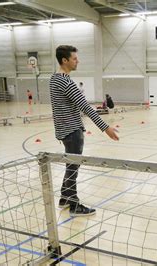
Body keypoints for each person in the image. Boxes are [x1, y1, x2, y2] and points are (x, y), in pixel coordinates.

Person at [49, 45, 119, 217]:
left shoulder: (54, 78)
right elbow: (86, 107)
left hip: (64, 131)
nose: (77, 61)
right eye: (74, 58)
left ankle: (65, 197)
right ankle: (74, 204)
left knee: (71, 164)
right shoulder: (66, 82)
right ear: (64, 60)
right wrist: (106, 128)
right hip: (72, 131)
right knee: (73, 166)